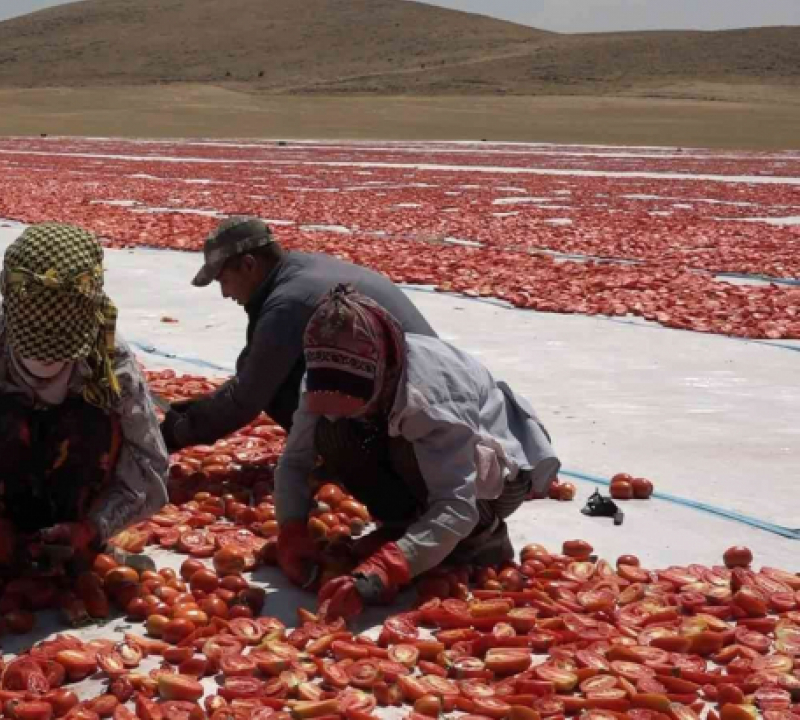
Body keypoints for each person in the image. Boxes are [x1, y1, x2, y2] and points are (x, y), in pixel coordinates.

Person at [0, 223, 168, 568]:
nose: (46, 361)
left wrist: (94, 527)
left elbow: (150, 465)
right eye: (32, 345)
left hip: (79, 501)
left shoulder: (110, 361)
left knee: (92, 418)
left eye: (61, 349)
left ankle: (76, 545)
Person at [273, 285, 559, 618]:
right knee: (334, 433)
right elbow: (295, 461)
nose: (346, 408)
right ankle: (409, 530)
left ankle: (482, 540)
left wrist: (388, 567)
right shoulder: (326, 372)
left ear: (386, 369)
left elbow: (456, 504)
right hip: (425, 453)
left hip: (497, 480)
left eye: (357, 397)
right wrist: (290, 527)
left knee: (407, 449)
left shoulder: (431, 395)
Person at [160, 216, 436, 453]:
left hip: (423, 414)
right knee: (271, 371)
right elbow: (253, 368)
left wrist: (173, 434)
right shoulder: (302, 269)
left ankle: (362, 460)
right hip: (428, 391)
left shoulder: (289, 302)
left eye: (223, 280)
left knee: (276, 386)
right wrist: (196, 409)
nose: (225, 293)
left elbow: (248, 396)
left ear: (248, 265)